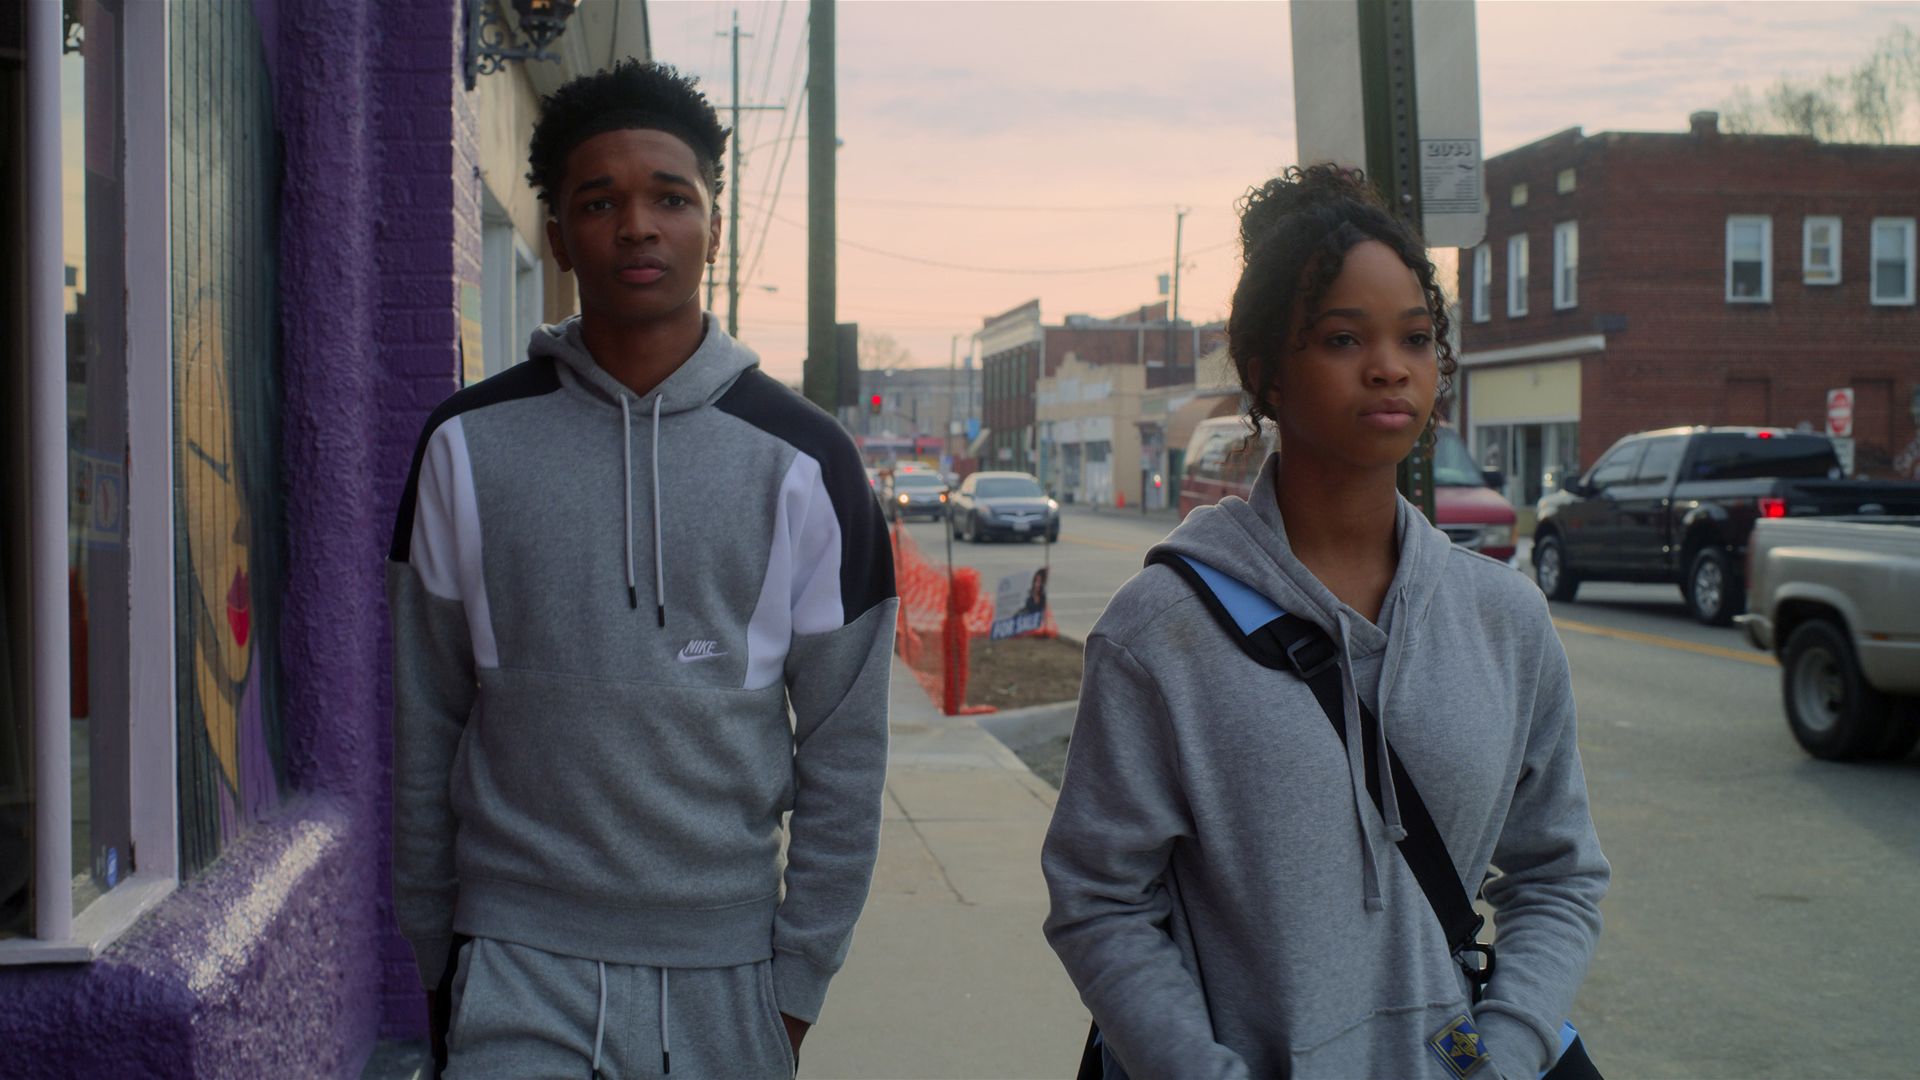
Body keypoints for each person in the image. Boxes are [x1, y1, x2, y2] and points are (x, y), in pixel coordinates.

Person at [1041, 165, 1609, 1080]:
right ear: (1264, 371)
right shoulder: (1160, 633)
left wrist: (1504, 1056)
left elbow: (1557, 874)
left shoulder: (1505, 620)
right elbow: (1100, 900)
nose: (1390, 366)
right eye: (1344, 338)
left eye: (1416, 338)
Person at [387, 61, 896, 1079]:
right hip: (514, 960)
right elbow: (422, 716)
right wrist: (438, 952)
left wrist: (794, 987)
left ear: (714, 220)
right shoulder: (465, 446)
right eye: (598, 200)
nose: (636, 225)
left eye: (670, 196)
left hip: (725, 975)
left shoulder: (807, 462)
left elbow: (845, 754)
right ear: (557, 232)